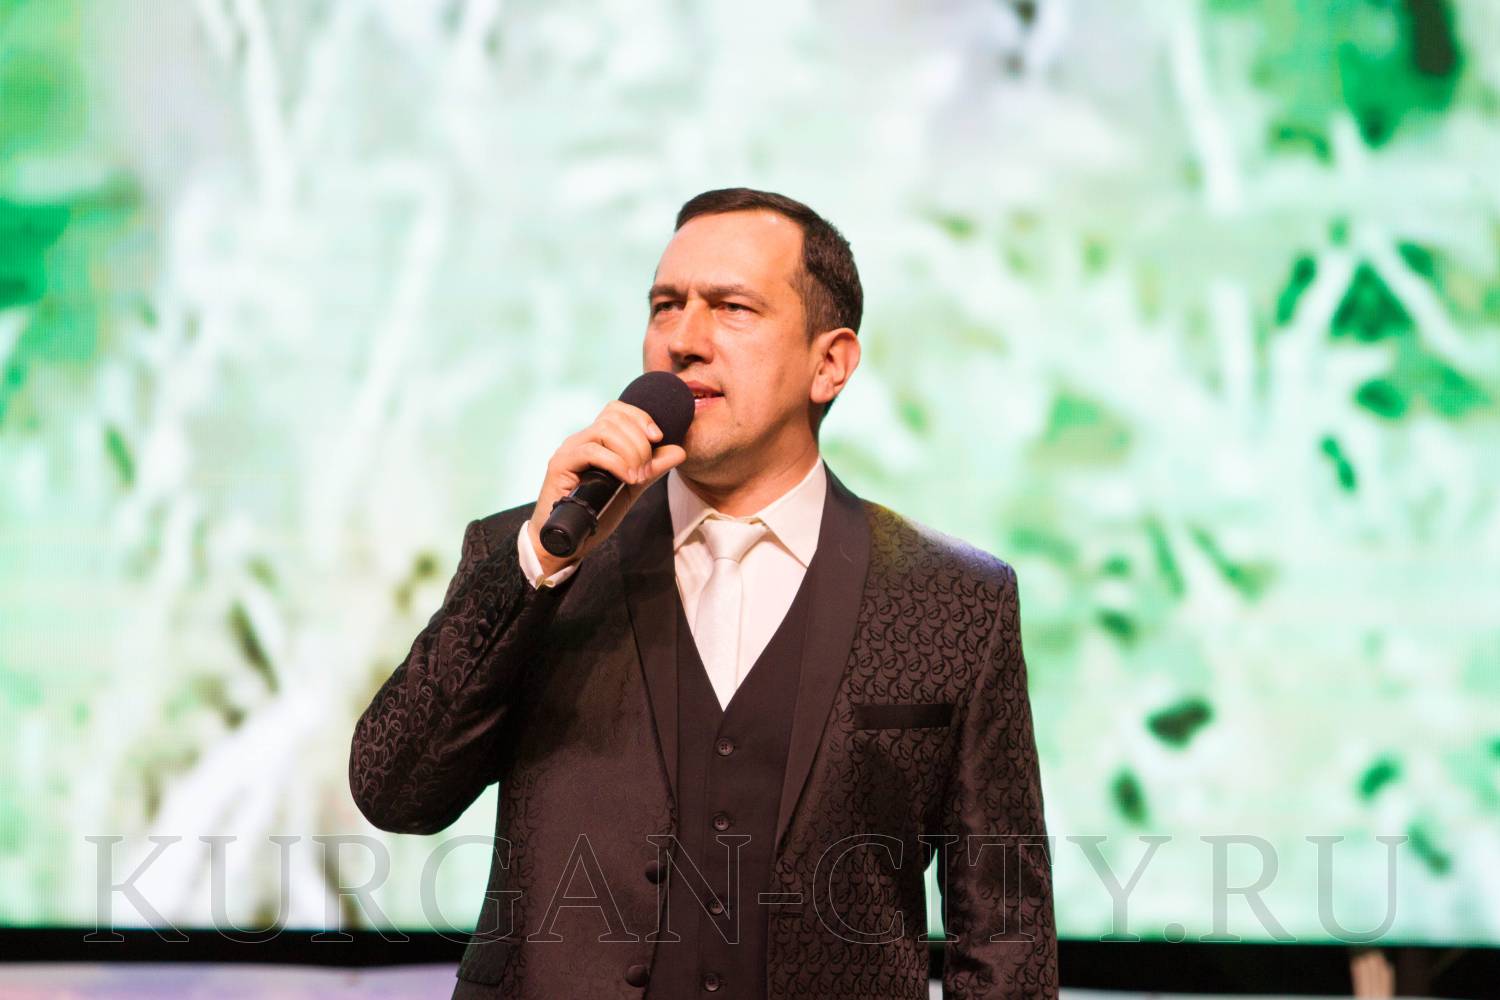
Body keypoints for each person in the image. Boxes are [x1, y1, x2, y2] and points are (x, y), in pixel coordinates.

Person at [349, 187, 1058, 999]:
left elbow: (1006, 935)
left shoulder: (953, 601)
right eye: (666, 306)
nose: (683, 340)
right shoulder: (539, 557)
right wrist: (537, 568)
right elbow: (393, 790)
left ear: (829, 363)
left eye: (732, 308)